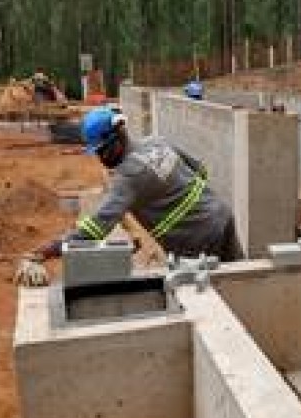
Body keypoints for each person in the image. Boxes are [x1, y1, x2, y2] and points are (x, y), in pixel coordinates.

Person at [16, 106, 243, 286]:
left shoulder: (128, 176)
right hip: (222, 215)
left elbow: (96, 228)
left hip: (196, 241)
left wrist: (44, 251)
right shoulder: (157, 142)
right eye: (97, 153)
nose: (101, 158)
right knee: (243, 281)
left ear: (118, 137)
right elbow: (200, 169)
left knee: (209, 299)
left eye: (103, 151)